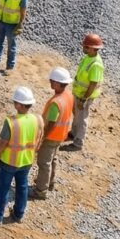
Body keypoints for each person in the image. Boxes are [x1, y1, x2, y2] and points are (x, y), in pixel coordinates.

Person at [0, 86, 43, 225]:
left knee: (3, 189)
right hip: (26, 161)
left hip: (9, 162)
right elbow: (39, 139)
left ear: (19, 104)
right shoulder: (37, 119)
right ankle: (18, 214)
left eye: (15, 102)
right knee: (22, 187)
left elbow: (2, 142)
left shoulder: (11, 122)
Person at [31, 67, 74, 199]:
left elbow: (51, 123)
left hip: (51, 136)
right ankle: (50, 182)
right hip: (61, 135)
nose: (50, 82)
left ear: (57, 83)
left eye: (52, 81)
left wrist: (43, 137)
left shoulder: (56, 103)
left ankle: (41, 191)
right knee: (53, 159)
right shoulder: (68, 95)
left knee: (44, 163)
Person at [62, 33, 104, 152]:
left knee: (82, 118)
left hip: (85, 96)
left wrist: (84, 99)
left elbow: (93, 84)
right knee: (76, 113)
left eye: (86, 47)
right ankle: (74, 133)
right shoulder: (88, 57)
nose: (83, 48)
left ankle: (78, 143)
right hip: (79, 93)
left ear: (93, 48)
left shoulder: (96, 65)